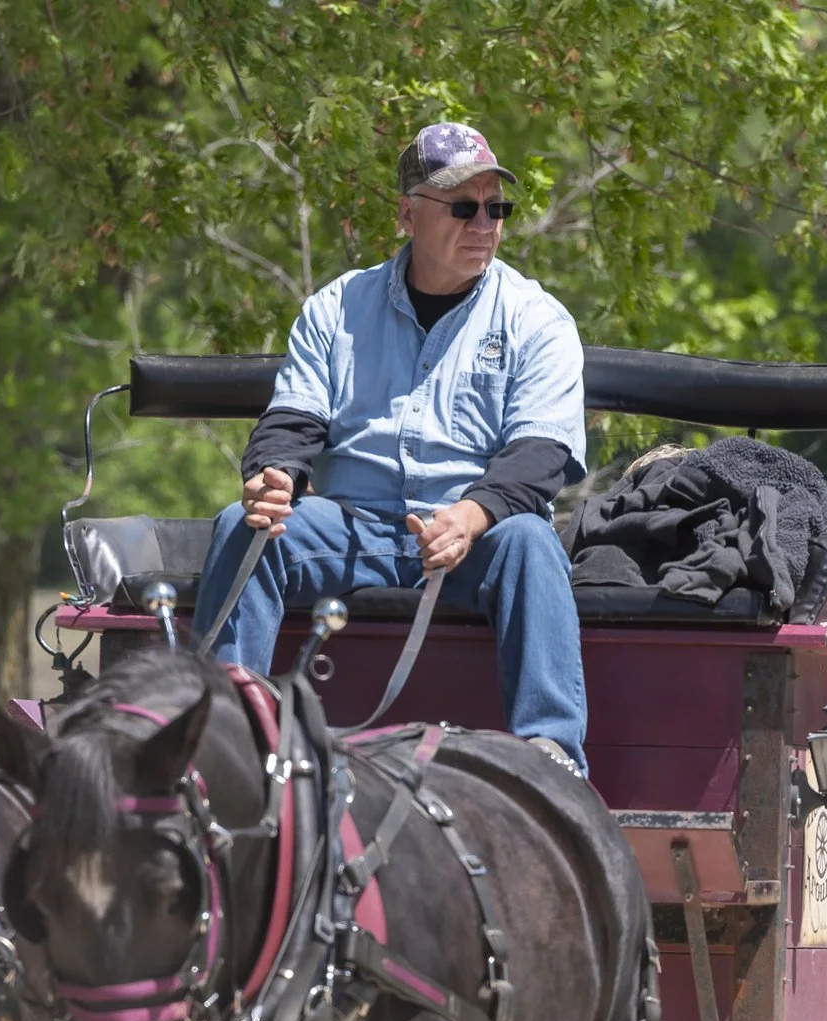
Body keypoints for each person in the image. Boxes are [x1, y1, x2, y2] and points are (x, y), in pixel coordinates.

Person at [194, 122, 591, 770]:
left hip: (476, 536)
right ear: (408, 214)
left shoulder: (535, 318)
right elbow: (291, 423)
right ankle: (221, 743)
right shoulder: (334, 308)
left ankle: (551, 759)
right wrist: (273, 476)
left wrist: (469, 517)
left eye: (498, 208)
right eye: (465, 206)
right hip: (355, 526)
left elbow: (540, 454)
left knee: (531, 541)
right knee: (246, 524)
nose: (485, 222)